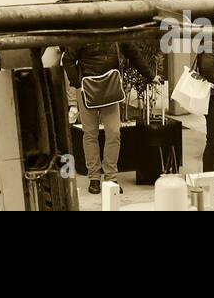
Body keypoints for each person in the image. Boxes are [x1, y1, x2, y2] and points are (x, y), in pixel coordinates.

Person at [63, 20, 157, 195]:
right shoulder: (83, 33)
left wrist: (150, 75)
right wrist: (77, 84)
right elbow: (67, 59)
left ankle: (110, 178)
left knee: (113, 133)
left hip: (109, 90)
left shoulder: (115, 32)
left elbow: (133, 53)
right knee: (90, 134)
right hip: (88, 91)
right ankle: (94, 178)